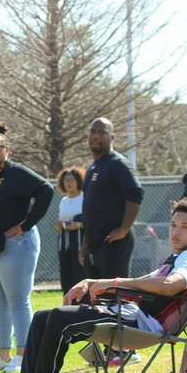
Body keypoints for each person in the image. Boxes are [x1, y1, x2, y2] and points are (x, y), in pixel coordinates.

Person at [0, 197, 187, 373]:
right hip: (130, 312)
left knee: (58, 318)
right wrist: (92, 283)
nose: (175, 231)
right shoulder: (176, 257)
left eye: (184, 226)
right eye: (173, 225)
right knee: (41, 317)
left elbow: (168, 286)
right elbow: (145, 283)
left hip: (143, 322)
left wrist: (112, 282)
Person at [0, 123, 54, 373]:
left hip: (15, 244)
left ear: (8, 149)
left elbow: (45, 190)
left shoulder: (16, 173)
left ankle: (23, 356)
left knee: (17, 300)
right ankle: (3, 357)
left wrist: (26, 224)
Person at [79, 117, 143, 278]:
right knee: (93, 299)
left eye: (102, 132)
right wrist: (85, 244)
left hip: (113, 244)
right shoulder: (93, 167)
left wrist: (124, 229)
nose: (95, 136)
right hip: (94, 245)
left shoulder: (118, 164)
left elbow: (135, 193)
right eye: (92, 131)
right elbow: (90, 209)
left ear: (112, 137)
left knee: (113, 298)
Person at [55, 166, 85, 297]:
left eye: (72, 180)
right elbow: (61, 221)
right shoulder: (63, 201)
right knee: (66, 273)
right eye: (66, 180)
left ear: (78, 181)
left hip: (80, 242)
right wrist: (60, 225)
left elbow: (92, 221)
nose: (69, 183)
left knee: (79, 272)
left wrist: (78, 225)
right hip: (65, 243)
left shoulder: (85, 198)